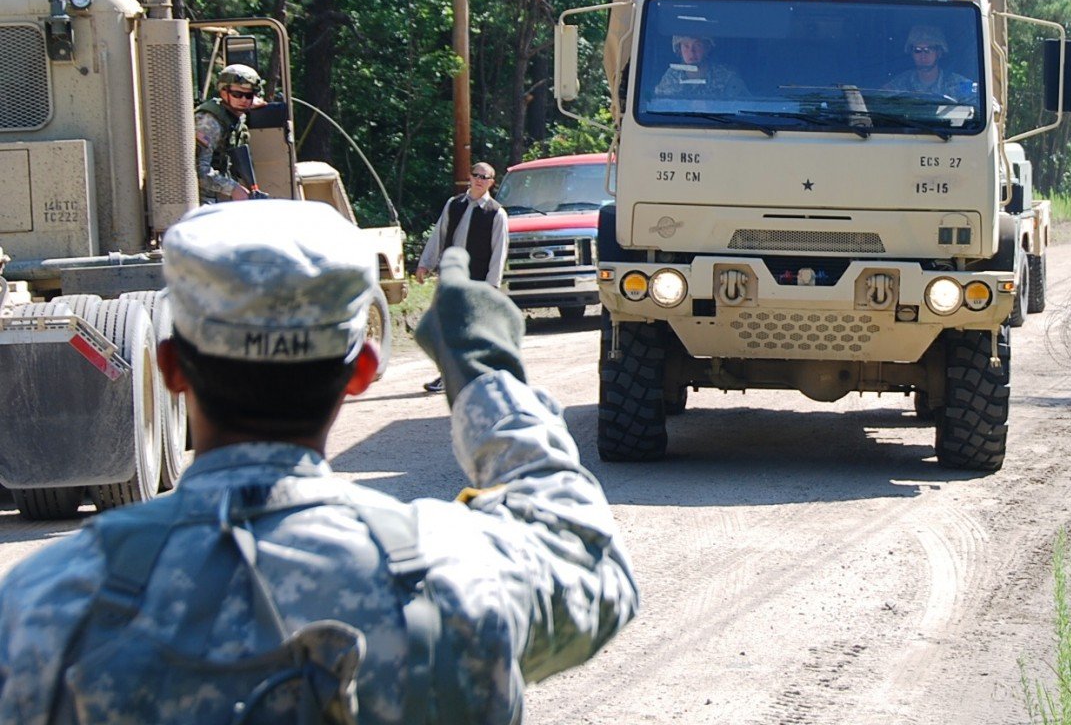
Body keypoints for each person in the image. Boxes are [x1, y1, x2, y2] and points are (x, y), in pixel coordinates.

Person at [0, 199, 639, 723]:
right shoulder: (461, 575)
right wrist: (484, 373)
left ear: (169, 369)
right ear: (363, 371)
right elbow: (592, 561)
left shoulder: (45, 607)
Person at [415, 162, 509, 394]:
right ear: (469, 177)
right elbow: (440, 234)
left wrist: (492, 285)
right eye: (476, 175)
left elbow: (499, 251)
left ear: (491, 182)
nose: (480, 180)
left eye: (485, 177)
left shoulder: (496, 213)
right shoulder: (453, 205)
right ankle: (447, 375)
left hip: (478, 281)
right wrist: (425, 264)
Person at [195, 63, 266, 204]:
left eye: (248, 95)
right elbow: (198, 171)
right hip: (202, 200)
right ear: (223, 93)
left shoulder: (235, 116)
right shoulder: (210, 123)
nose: (244, 100)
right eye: (237, 94)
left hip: (219, 197)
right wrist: (233, 189)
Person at [884, 25, 973, 100]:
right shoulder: (899, 84)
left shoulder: (959, 84)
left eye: (928, 50)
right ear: (911, 53)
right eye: (917, 50)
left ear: (939, 52)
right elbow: (881, 104)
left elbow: (974, 112)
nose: (923, 55)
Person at [654, 34, 749, 99]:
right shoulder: (671, 76)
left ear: (707, 48)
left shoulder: (726, 77)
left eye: (697, 45)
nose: (691, 52)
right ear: (679, 49)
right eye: (686, 46)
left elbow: (743, 108)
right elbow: (658, 105)